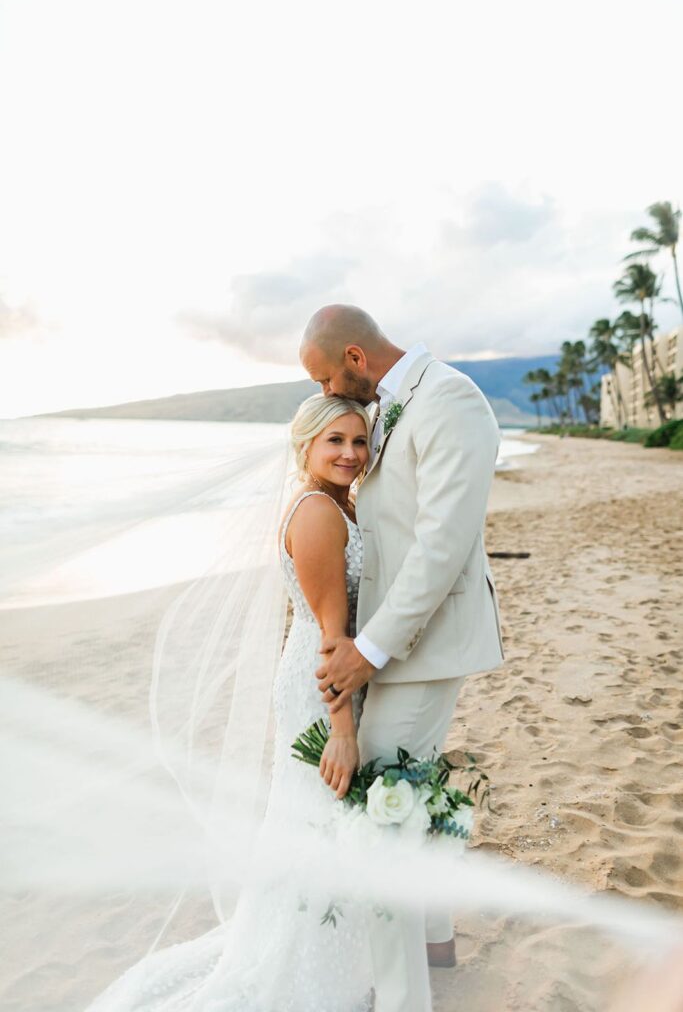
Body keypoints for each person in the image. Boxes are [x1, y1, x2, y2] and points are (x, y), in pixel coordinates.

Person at [84, 393, 392, 1011]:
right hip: (319, 687)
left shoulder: (339, 504)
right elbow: (333, 635)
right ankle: (301, 968)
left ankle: (322, 951)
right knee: (319, 821)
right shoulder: (316, 514)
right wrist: (342, 731)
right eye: (335, 441)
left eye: (358, 442)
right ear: (304, 445)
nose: (350, 454)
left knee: (315, 824)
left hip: (323, 677)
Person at [300, 303, 505, 997]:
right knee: (404, 799)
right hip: (392, 642)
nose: (328, 395)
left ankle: (401, 999)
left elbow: (442, 545)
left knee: (377, 817)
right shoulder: (390, 405)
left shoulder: (449, 399)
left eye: (328, 378)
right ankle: (435, 940)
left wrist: (370, 649)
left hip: (423, 642)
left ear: (355, 358)